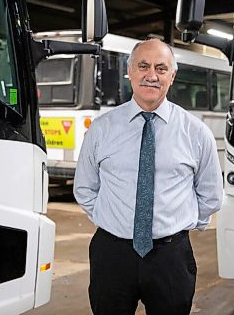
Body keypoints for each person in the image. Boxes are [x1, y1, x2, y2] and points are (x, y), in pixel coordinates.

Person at [73, 38, 223, 315]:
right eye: (143, 66)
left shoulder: (195, 132)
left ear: (172, 76)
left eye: (161, 68)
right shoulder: (102, 129)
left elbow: (211, 194)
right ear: (129, 71)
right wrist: (114, 221)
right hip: (112, 254)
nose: (151, 76)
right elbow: (85, 188)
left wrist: (178, 228)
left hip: (171, 257)